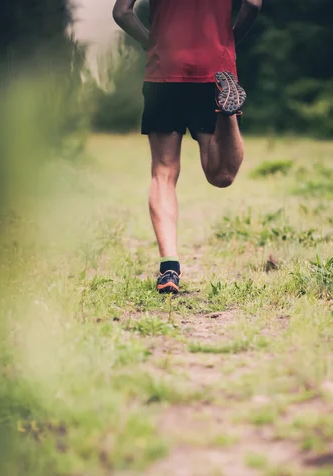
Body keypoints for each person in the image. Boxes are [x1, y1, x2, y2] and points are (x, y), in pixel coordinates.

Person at [113, 0, 262, 294]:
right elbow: (253, 4)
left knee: (163, 172)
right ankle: (226, 114)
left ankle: (169, 267)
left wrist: (153, 42)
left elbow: (122, 12)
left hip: (164, 69)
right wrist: (229, 40)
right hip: (215, 67)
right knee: (221, 176)